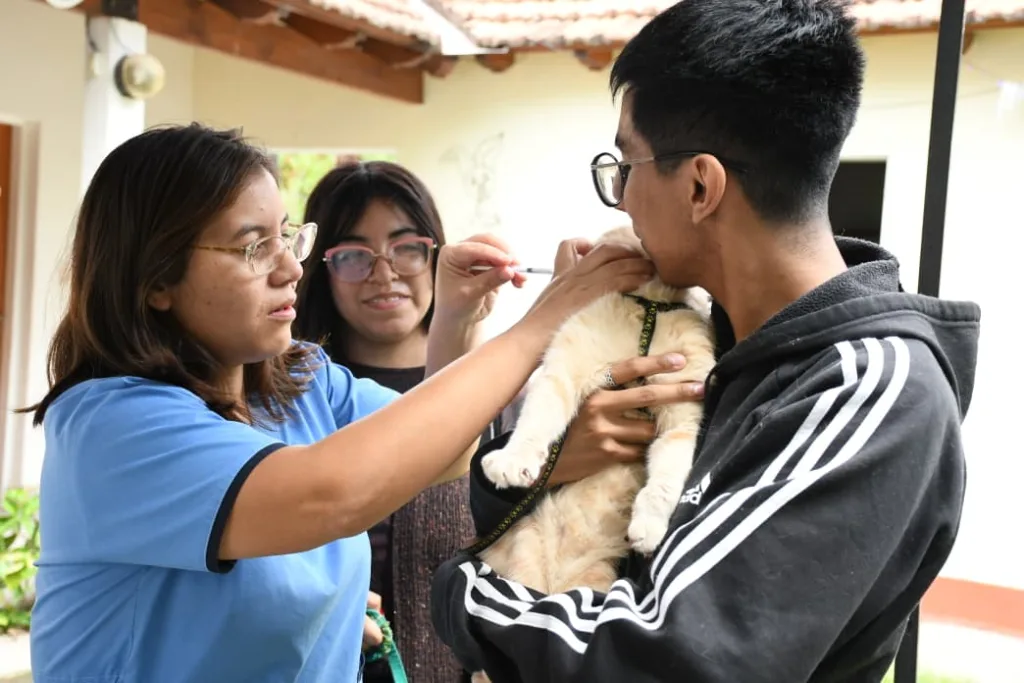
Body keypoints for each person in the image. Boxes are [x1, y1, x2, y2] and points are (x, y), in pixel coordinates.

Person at [430, 1, 981, 681]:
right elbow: (507, 497)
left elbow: (673, 656)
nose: (622, 200)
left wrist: (462, 593)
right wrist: (553, 463)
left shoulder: (869, 388)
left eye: (626, 166)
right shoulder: (709, 334)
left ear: (699, 185)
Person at [24, 123, 668, 683]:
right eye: (254, 248)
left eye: (287, 237)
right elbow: (333, 494)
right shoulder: (112, 425)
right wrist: (541, 326)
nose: (289, 269)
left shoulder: (297, 381)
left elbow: (441, 451)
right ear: (156, 278)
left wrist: (454, 320)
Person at [293, 161, 705, 682]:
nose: (384, 272)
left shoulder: (520, 394)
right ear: (321, 269)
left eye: (407, 248)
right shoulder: (301, 398)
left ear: (435, 255)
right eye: (353, 255)